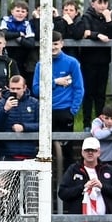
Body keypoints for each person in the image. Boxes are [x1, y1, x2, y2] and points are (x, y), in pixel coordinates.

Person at [32, 31, 84, 172]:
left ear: (61, 44)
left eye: (55, 44)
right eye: (50, 44)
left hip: (65, 111)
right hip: (46, 112)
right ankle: (46, 184)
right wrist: (55, 82)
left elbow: (79, 88)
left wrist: (72, 110)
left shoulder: (72, 63)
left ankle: (67, 184)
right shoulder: (41, 65)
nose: (53, 47)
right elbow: (36, 90)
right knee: (46, 150)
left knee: (67, 151)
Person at [79, 0, 112, 127]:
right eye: (99, 2)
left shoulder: (109, 17)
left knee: (100, 94)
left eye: (105, 3)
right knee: (88, 93)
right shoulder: (87, 16)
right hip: (88, 60)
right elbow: (85, 32)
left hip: (104, 61)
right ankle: (86, 124)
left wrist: (108, 19)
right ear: (92, 3)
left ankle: (101, 123)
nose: (102, 6)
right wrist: (97, 35)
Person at [0, 75, 39, 160]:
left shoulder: (35, 103)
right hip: (7, 153)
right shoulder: (1, 103)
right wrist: (5, 110)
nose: (15, 91)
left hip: (29, 153)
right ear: (8, 88)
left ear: (24, 87)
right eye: (12, 89)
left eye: (18, 89)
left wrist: (24, 127)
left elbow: (42, 125)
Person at [0, 0, 36, 89]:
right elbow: (3, 34)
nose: (20, 13)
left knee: (21, 82)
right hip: (7, 57)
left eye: (23, 11)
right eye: (18, 11)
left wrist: (19, 40)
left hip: (22, 60)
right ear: (12, 11)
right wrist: (18, 34)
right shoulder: (6, 20)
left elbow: (31, 43)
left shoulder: (27, 24)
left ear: (27, 13)